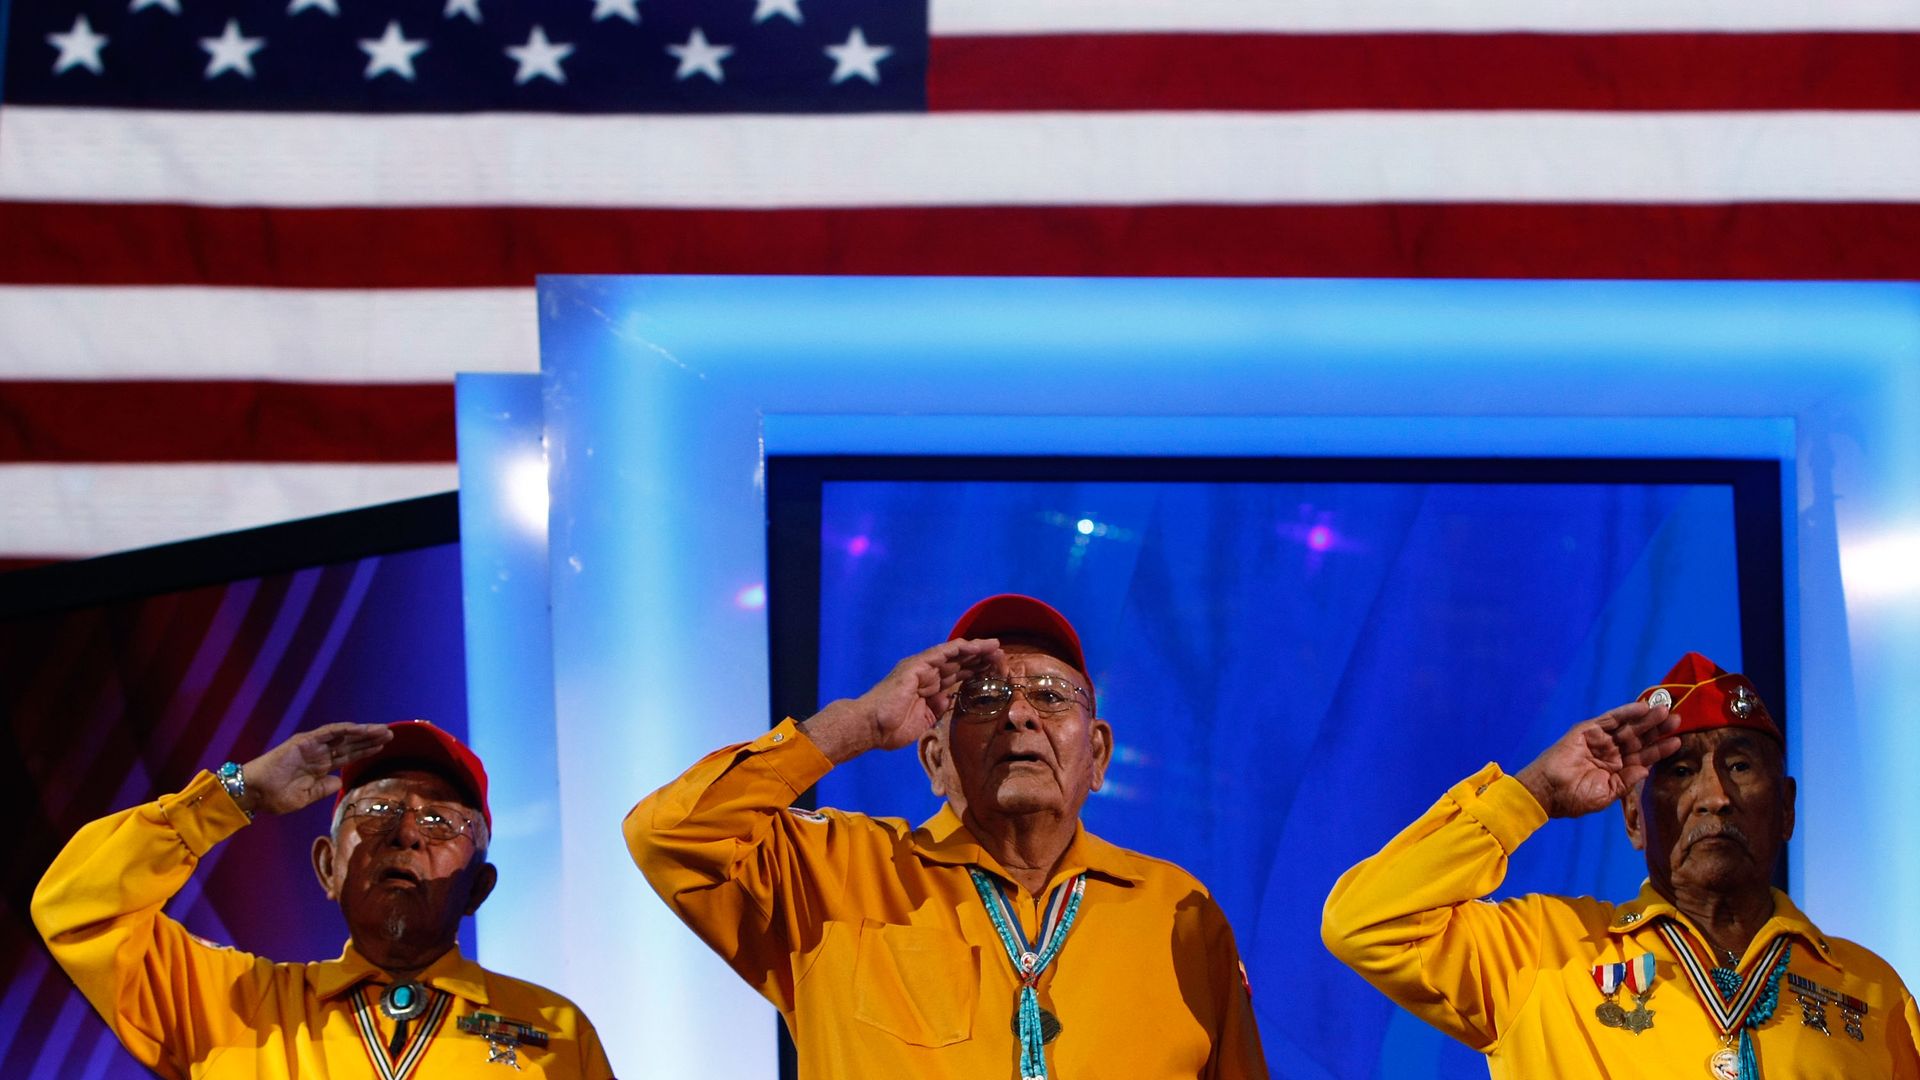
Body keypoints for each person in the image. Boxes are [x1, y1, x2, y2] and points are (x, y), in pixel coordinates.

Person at [625, 593, 1268, 1079]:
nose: (1019, 714)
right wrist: (856, 725)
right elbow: (670, 834)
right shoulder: (831, 871)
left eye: (1050, 695)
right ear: (933, 758)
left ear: (1098, 755)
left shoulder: (1177, 911)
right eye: (984, 697)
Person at [1322, 652, 1920, 1079]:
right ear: (1634, 819)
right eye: (1681, 772)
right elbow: (1364, 921)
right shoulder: (1542, 954)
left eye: (1739, 767)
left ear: (1786, 809)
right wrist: (1532, 794)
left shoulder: (1873, 990)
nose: (1715, 796)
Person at [33, 719, 615, 1079]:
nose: (406, 833)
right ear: (327, 867)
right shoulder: (233, 1006)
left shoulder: (556, 1032)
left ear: (479, 889)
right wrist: (240, 793)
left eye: (440, 820)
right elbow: (77, 907)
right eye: (379, 810)